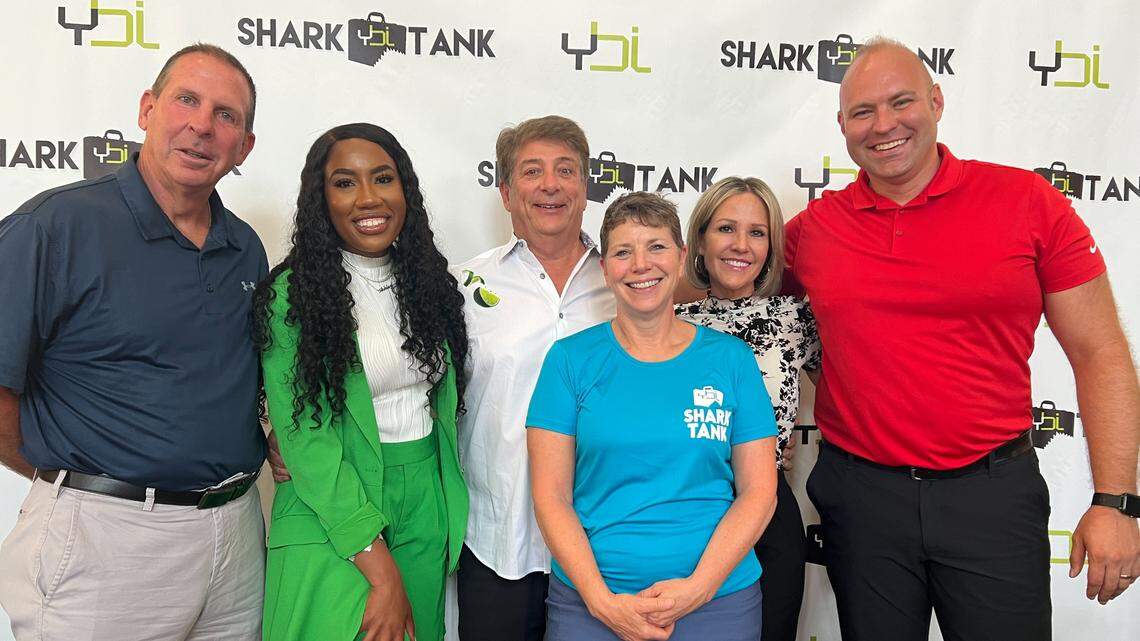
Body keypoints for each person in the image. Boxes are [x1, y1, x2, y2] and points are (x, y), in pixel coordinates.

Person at [786, 37, 1140, 641]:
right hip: (862, 500)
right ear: (841, 125)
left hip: (992, 496)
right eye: (863, 112)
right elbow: (721, 304)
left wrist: (1117, 502)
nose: (885, 125)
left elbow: (1100, 351)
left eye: (902, 102)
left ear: (938, 101)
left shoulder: (1028, 203)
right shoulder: (810, 233)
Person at [0, 44, 265, 640]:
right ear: (147, 109)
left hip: (237, 534)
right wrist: (77, 483)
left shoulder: (244, 246)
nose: (201, 124)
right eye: (186, 100)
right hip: (106, 539)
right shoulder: (54, 226)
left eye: (226, 115)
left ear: (244, 147)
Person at [528, 191, 779, 641]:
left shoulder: (732, 361)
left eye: (657, 247)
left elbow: (759, 493)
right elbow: (551, 499)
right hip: (591, 602)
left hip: (718, 602)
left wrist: (698, 590)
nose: (641, 264)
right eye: (623, 252)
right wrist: (602, 602)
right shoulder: (568, 361)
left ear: (682, 258)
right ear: (605, 268)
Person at [255, 123, 469, 641]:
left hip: (423, 500)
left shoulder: (430, 285)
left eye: (383, 179)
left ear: (405, 191)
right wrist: (381, 572)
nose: (368, 198)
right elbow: (306, 441)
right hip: (329, 503)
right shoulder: (294, 294)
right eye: (345, 183)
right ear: (321, 199)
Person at [451, 115, 615, 641]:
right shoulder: (464, 285)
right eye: (532, 171)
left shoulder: (629, 280)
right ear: (504, 191)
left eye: (566, 170)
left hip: (604, 537)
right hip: (498, 541)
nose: (550, 184)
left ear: (585, 188)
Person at [674, 176, 820, 641]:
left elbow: (854, 395)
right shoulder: (672, 324)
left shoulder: (796, 319)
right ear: (700, 238)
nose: (741, 245)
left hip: (769, 510)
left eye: (757, 232)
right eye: (725, 229)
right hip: (689, 506)